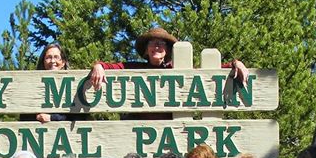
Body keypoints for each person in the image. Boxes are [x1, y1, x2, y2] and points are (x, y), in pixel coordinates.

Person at [89, 26, 248, 90]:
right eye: (152, 43)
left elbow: (207, 73)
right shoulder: (134, 68)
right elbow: (110, 66)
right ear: (146, 49)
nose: (156, 47)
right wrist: (98, 66)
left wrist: (235, 64)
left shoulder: (176, 69)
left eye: (161, 44)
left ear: (167, 50)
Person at [33, 43, 69, 123]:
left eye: (56, 57)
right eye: (48, 58)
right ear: (43, 62)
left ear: (63, 62)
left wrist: (52, 118)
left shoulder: (72, 84)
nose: (52, 61)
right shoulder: (33, 86)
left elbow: (79, 117)